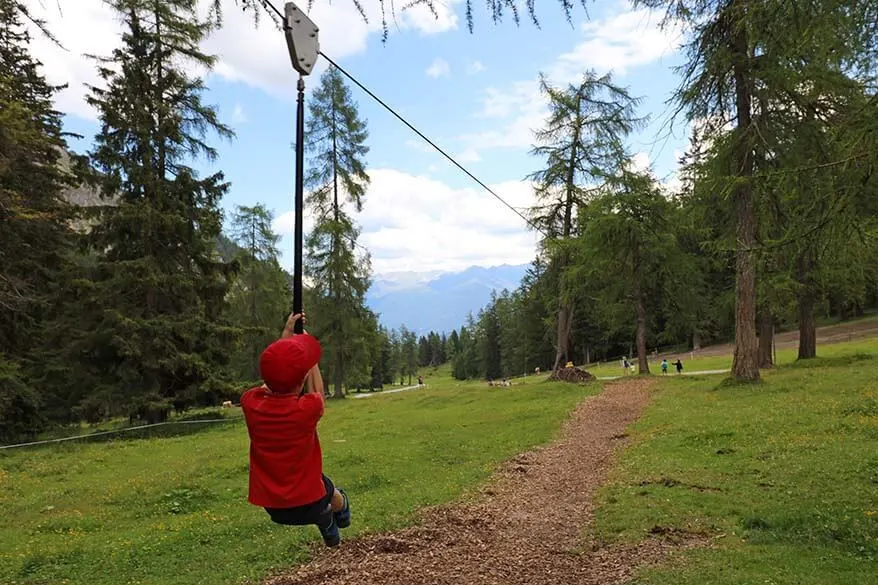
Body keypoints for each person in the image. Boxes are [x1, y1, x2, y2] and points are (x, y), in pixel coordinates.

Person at [240, 312, 351, 547]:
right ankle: (338, 513)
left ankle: (328, 524)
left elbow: (275, 378)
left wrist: (288, 339)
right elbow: (317, 393)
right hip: (311, 501)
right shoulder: (306, 409)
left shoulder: (251, 403)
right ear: (301, 380)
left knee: (319, 489)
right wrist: (308, 360)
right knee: (331, 491)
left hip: (273, 507)